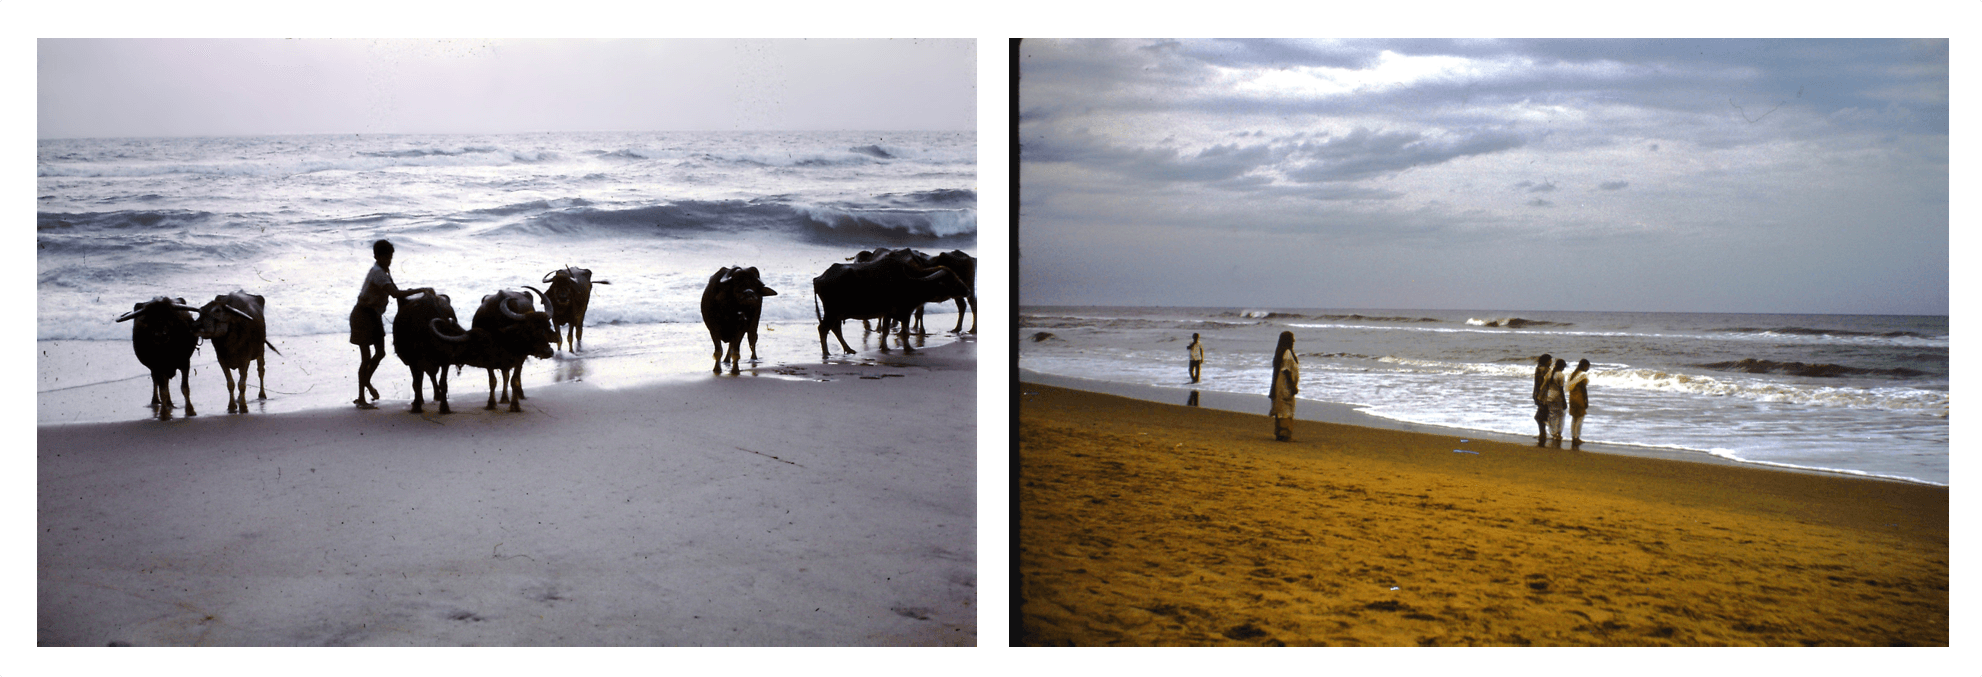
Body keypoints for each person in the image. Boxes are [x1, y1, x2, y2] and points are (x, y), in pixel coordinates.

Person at [350, 239, 430, 409]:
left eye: (390, 257)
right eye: (386, 257)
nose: (389, 260)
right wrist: (421, 290)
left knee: (380, 353)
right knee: (366, 359)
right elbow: (395, 294)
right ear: (376, 256)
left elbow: (397, 293)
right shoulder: (378, 273)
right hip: (362, 315)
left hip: (374, 315)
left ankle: (366, 384)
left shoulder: (385, 271)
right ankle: (361, 397)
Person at [1269, 331, 1299, 442]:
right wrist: (1292, 386)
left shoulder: (1282, 352)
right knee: (1286, 408)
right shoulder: (1287, 352)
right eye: (1292, 338)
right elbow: (1286, 370)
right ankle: (1284, 433)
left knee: (1281, 407)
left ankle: (1280, 432)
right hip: (1285, 385)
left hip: (1281, 385)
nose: (1294, 341)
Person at [1565, 359, 1591, 446]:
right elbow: (1584, 389)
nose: (1588, 369)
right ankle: (1577, 437)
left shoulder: (1573, 374)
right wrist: (1586, 400)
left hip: (1572, 398)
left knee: (1574, 418)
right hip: (1579, 398)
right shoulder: (1582, 375)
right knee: (1580, 418)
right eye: (1588, 367)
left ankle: (1573, 436)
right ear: (1585, 366)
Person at [1542, 357, 1569, 442]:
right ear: (1562, 367)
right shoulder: (1560, 375)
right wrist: (1564, 401)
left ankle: (1553, 433)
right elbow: (1561, 390)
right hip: (1557, 397)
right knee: (1560, 415)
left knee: (1552, 415)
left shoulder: (1550, 373)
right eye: (1564, 367)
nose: (1564, 369)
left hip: (1549, 396)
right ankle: (1558, 433)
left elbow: (1545, 386)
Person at [1532, 354, 1555, 440]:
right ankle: (1543, 434)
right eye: (1550, 360)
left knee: (1542, 414)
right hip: (1543, 395)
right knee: (1542, 415)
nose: (1551, 362)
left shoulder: (1539, 368)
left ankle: (1543, 433)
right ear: (1546, 361)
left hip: (1537, 394)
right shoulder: (1545, 370)